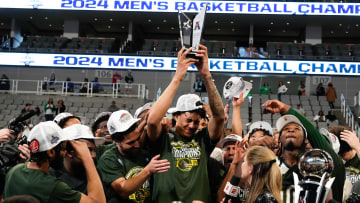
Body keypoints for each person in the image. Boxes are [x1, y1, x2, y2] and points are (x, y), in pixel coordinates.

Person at [147, 45, 225, 202]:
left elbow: (219, 117)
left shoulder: (202, 139)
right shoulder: (163, 136)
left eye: (197, 122)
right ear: (176, 116)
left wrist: (206, 75)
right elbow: (152, 120)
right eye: (188, 120)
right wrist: (178, 78)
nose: (192, 126)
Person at [261, 99, 345, 202]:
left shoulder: (323, 167)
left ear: (306, 138)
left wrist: (287, 109)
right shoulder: (269, 165)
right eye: (286, 129)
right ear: (279, 138)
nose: (291, 130)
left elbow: (315, 135)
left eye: (297, 129)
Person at [2, 121, 106, 203]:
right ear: (51, 152)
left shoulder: (15, 171)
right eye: (63, 149)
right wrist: (87, 158)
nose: (65, 153)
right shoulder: (53, 187)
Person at [97, 110, 170, 202]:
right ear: (116, 141)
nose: (137, 145)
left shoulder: (142, 148)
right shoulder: (109, 159)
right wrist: (147, 170)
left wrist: (163, 120)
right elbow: (123, 190)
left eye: (138, 138)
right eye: (130, 143)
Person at [50, 124, 104, 194]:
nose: (94, 155)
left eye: (94, 150)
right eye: (88, 150)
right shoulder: (52, 177)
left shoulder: (95, 172)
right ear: (70, 153)